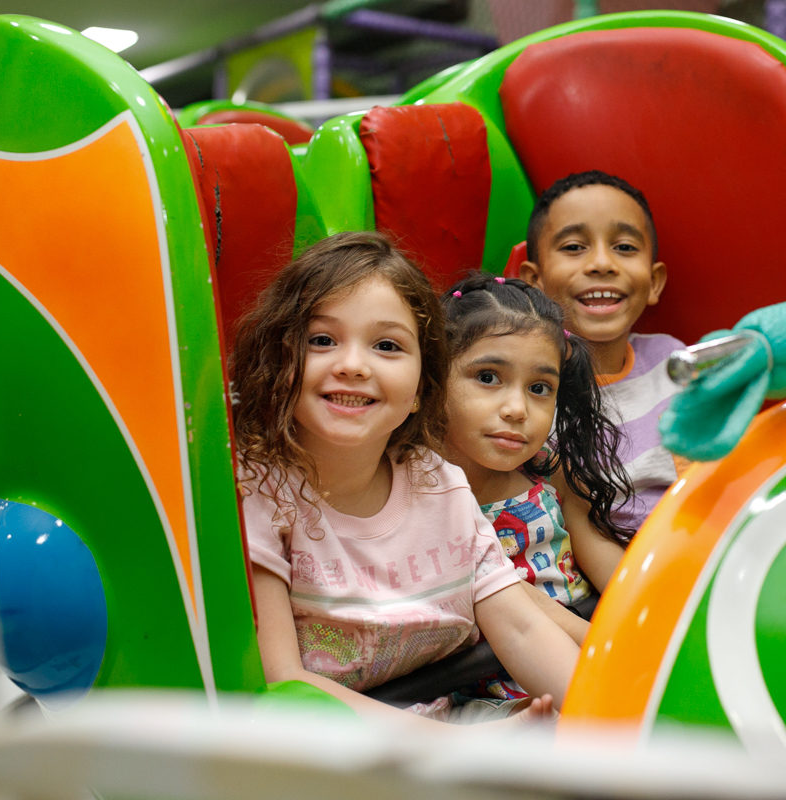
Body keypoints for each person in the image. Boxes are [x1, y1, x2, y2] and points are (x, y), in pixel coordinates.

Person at [231, 232, 579, 724]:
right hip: (327, 748)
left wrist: (612, 720)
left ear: (422, 386)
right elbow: (284, 681)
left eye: (387, 346)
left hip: (451, 722)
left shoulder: (439, 485)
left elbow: (522, 628)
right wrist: (462, 751)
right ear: (279, 359)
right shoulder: (260, 491)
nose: (352, 365)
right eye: (323, 340)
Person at [441, 274, 634, 647]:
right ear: (432, 376)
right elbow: (513, 606)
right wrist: (608, 651)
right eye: (488, 377)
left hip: (589, 642)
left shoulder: (546, 466)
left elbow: (612, 569)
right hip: (501, 681)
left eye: (539, 388)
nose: (517, 409)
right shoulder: (417, 489)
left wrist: (652, 625)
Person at [519, 171, 687, 532]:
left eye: (624, 247)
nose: (601, 263)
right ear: (535, 281)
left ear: (654, 281)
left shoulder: (675, 362)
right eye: (574, 247)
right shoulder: (525, 390)